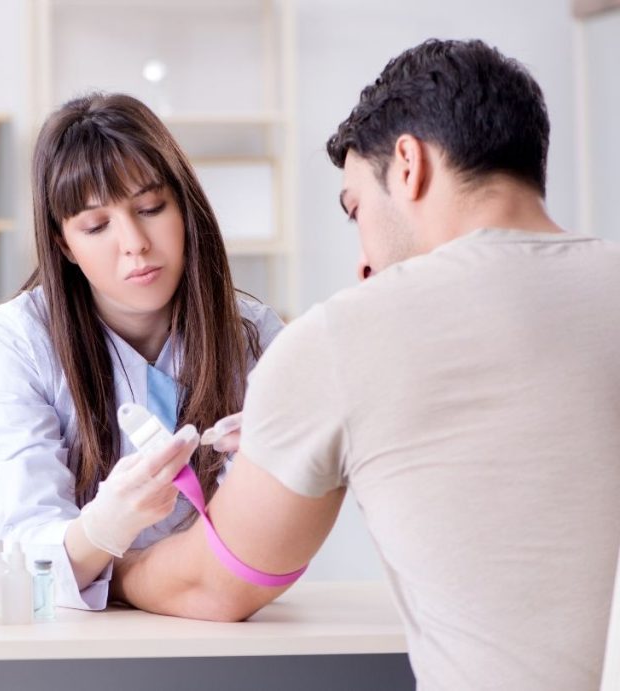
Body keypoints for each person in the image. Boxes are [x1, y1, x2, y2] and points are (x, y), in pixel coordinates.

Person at [111, 38, 620, 690]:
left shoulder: (343, 334)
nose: (363, 262)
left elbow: (210, 587)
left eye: (356, 210)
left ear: (408, 164)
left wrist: (109, 560)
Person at [0, 93, 282, 610]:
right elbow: (28, 554)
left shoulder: (251, 334)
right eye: (96, 226)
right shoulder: (19, 338)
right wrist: (105, 526)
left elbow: (264, 547)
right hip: (72, 640)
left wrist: (271, 466)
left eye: (151, 208)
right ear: (64, 244)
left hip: (214, 624)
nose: (134, 242)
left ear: (185, 206)